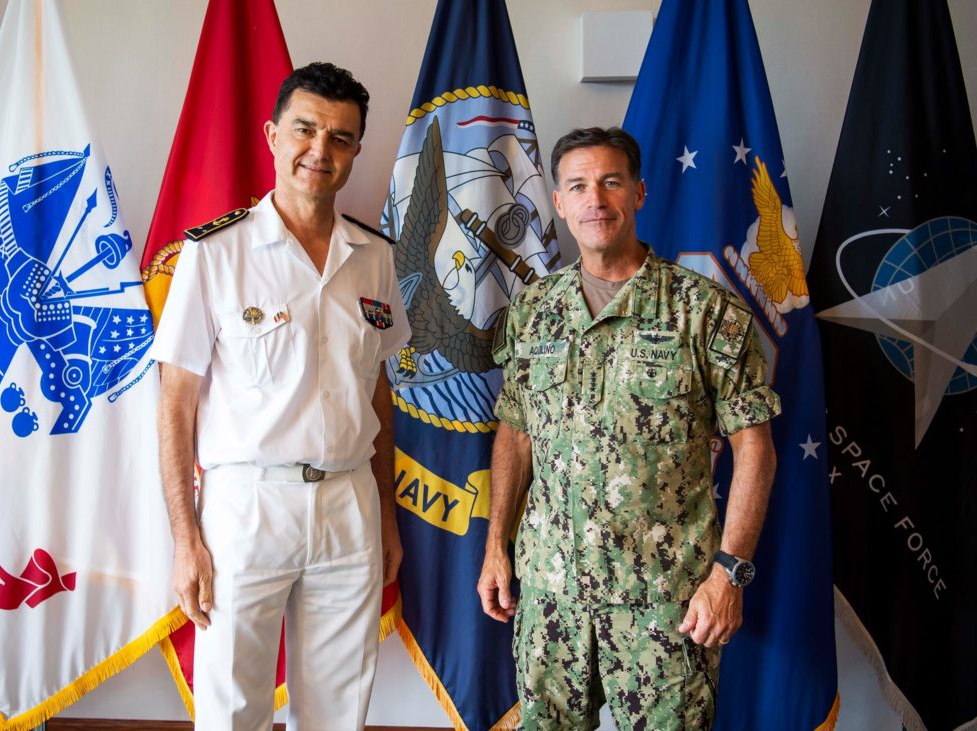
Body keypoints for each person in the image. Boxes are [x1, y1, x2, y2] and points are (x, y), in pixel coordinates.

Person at [476, 127, 781, 730]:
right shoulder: (533, 311)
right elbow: (516, 431)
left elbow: (755, 450)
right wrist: (495, 548)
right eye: (578, 186)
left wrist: (730, 573)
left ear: (639, 193)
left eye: (611, 182)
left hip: (665, 600)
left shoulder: (704, 310)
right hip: (552, 594)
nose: (595, 200)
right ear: (558, 202)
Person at [150, 62, 410, 731]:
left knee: (338, 710)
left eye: (340, 138)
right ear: (272, 135)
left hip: (349, 502)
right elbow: (176, 401)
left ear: (356, 150)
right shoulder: (215, 253)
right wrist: (185, 539)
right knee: (232, 707)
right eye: (305, 129)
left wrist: (385, 510)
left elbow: (377, 391)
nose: (320, 150)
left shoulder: (374, 257)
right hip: (247, 505)